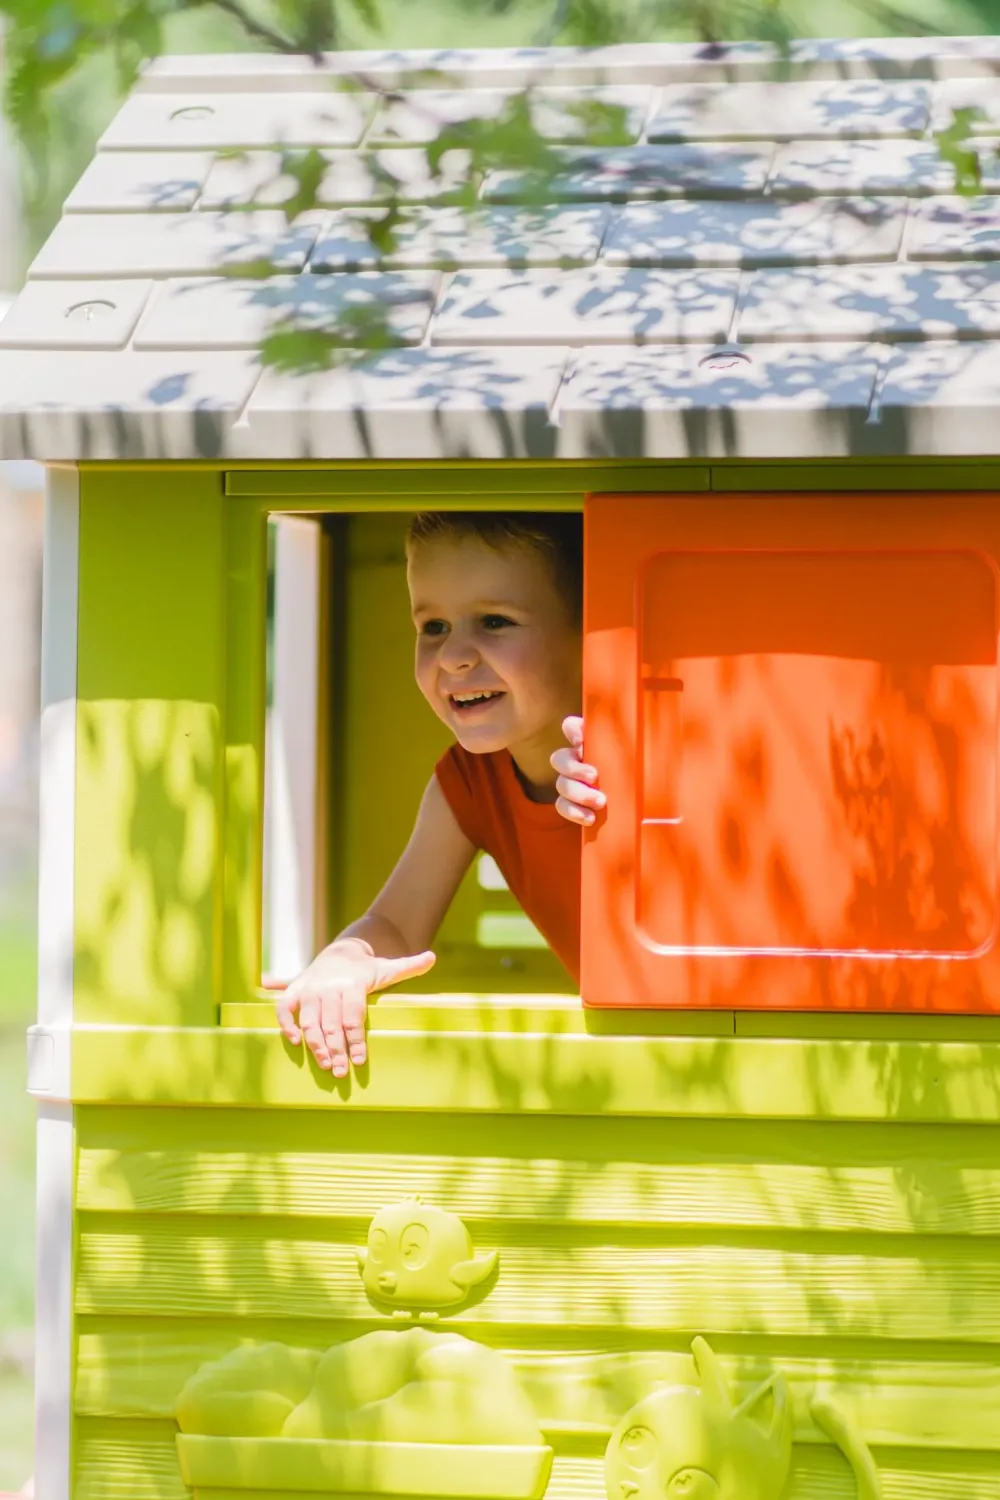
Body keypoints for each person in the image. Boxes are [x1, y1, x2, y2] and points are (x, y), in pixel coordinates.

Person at [275, 511, 604, 1077]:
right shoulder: (470, 784)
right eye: (433, 627)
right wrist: (345, 960)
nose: (454, 656)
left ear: (590, 631)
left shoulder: (646, 753)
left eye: (495, 621)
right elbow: (397, 926)